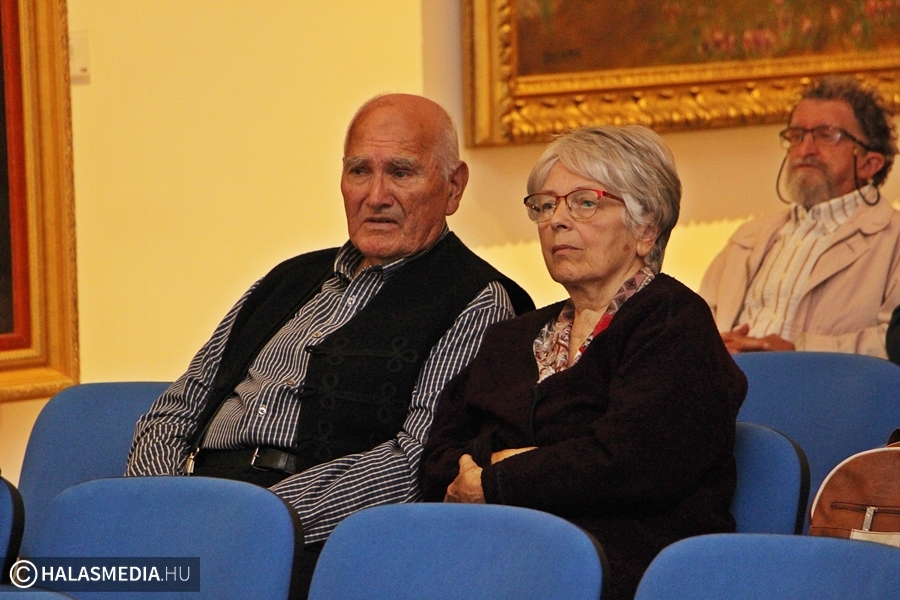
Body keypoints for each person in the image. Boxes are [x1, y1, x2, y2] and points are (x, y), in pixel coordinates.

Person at [125, 93, 534, 596]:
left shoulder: (478, 300)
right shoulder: (288, 278)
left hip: (316, 541)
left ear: (454, 187)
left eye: (401, 172)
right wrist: (157, 508)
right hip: (199, 508)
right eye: (359, 171)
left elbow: (413, 462)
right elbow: (177, 408)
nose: (376, 195)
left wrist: (252, 523)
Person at [420, 125, 746, 600]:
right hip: (496, 559)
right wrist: (519, 466)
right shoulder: (512, 337)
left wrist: (499, 477)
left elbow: (626, 464)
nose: (557, 220)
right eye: (545, 205)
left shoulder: (672, 321)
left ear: (646, 228)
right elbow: (438, 459)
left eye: (585, 202)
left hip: (629, 569)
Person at [699, 76, 900, 357]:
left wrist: (798, 352)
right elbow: (695, 326)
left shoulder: (894, 239)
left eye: (826, 135)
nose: (805, 150)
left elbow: (893, 343)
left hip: (828, 383)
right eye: (796, 136)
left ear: (869, 163)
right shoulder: (747, 238)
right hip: (733, 381)